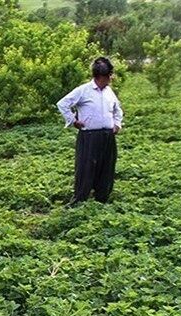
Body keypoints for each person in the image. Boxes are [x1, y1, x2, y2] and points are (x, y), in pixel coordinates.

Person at [56, 57, 124, 205]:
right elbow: (62, 104)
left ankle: (102, 200)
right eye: (110, 75)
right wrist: (73, 120)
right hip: (89, 136)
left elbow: (118, 110)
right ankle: (80, 201)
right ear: (101, 76)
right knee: (86, 169)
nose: (111, 78)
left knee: (106, 168)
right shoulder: (83, 90)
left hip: (107, 136)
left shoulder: (109, 91)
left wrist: (117, 124)